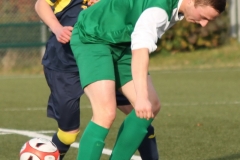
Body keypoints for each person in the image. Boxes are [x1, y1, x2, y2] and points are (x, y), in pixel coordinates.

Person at [70, 0, 226, 159]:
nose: (204, 24)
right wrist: (141, 98)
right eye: (203, 17)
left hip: (122, 42)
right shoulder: (158, 12)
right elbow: (140, 52)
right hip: (93, 37)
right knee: (106, 113)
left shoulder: (177, 8)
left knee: (151, 105)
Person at [34, 0, 159, 160]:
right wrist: (57, 28)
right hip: (65, 62)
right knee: (68, 134)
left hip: (103, 56)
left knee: (142, 114)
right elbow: (40, 4)